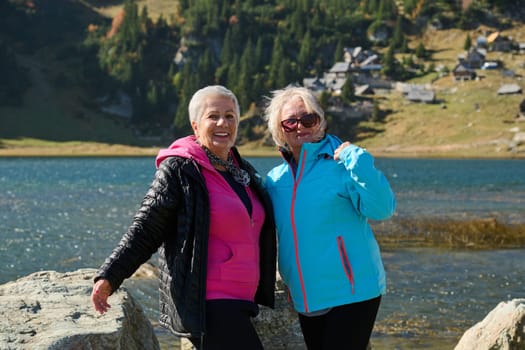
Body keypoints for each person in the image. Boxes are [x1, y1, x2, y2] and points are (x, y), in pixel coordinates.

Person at [91, 85, 276, 350]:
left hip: (242, 300)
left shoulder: (242, 171)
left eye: (230, 116)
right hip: (208, 300)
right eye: (213, 116)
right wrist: (109, 276)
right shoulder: (180, 168)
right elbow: (146, 227)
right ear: (195, 124)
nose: (223, 123)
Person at [263, 86, 396, 350]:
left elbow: (383, 209)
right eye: (290, 121)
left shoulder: (343, 166)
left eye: (308, 119)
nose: (299, 126)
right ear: (280, 129)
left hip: (353, 291)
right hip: (306, 297)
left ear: (320, 122)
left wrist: (358, 160)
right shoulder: (274, 180)